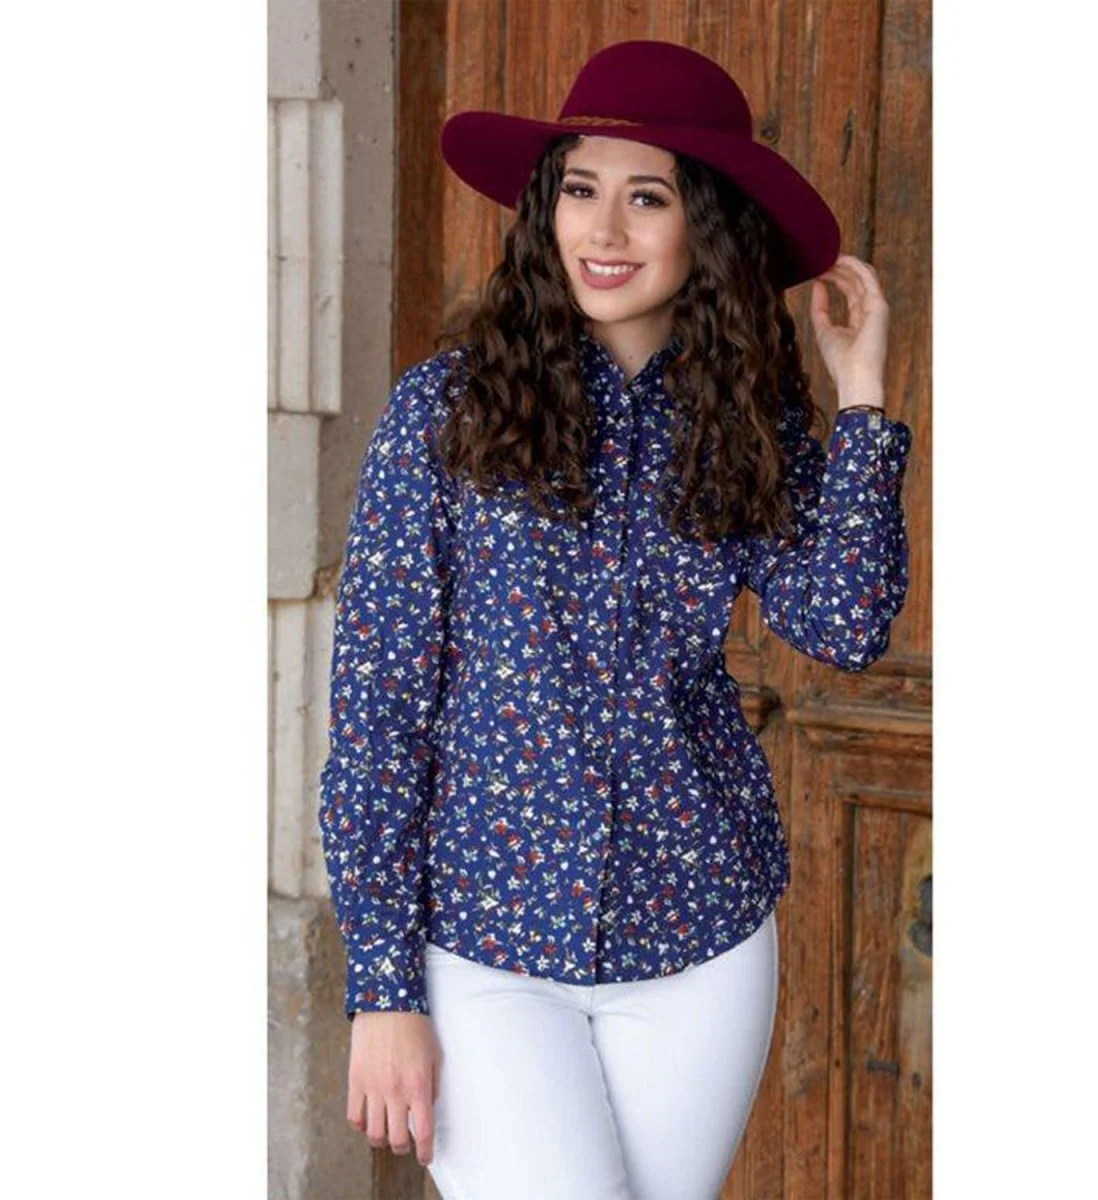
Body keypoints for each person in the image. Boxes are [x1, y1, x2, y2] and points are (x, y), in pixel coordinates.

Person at [318, 39, 913, 1200]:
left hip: (700, 941)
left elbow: (844, 623)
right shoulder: (447, 413)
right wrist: (382, 987)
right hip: (482, 948)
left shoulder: (745, 423)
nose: (604, 229)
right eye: (581, 188)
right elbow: (380, 708)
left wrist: (861, 399)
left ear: (708, 228)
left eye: (649, 198)